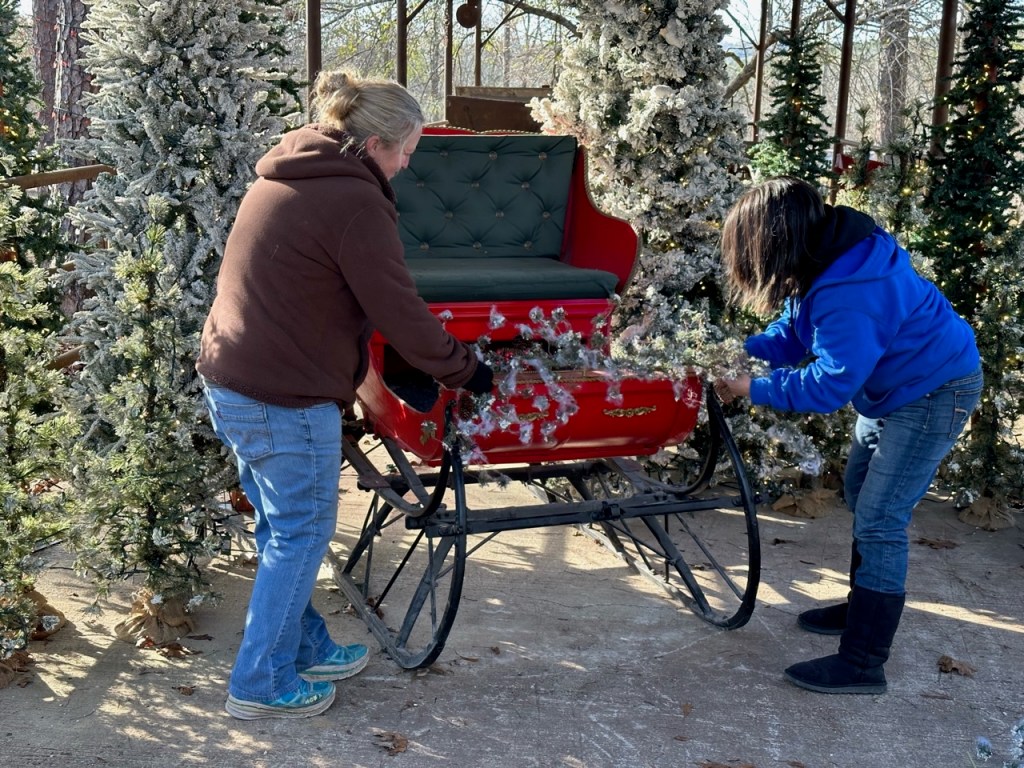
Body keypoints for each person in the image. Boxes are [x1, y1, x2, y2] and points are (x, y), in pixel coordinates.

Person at [196, 70, 493, 720]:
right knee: (301, 534)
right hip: (283, 396)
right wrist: (462, 370)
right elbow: (400, 309)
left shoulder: (293, 170)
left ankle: (300, 645)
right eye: (408, 148)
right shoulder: (354, 201)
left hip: (234, 379)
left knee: (283, 527)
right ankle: (262, 683)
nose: (410, 162)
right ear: (375, 143)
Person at [714, 176, 982, 695]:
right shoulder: (822, 254)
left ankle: (863, 664)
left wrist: (751, 387)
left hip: (933, 390)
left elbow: (830, 383)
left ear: (773, 242)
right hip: (894, 386)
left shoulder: (850, 289)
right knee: (861, 492)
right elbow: (793, 337)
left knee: (881, 517)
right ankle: (863, 604)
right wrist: (739, 353)